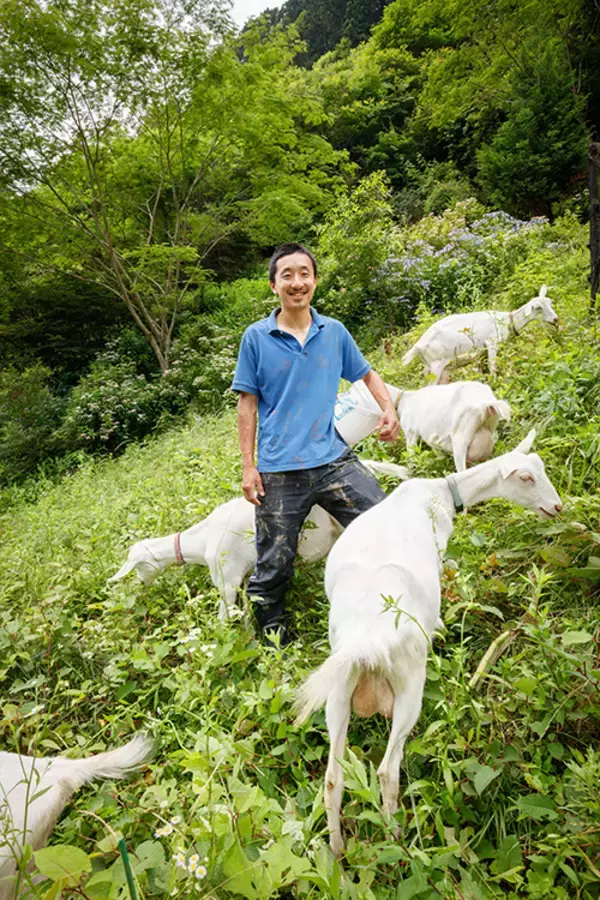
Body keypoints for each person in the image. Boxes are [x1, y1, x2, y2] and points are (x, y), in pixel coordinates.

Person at [231, 242, 400, 645]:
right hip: (279, 469)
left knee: (385, 523)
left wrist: (389, 409)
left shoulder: (333, 332)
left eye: (304, 274)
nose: (297, 282)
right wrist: (248, 466)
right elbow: (247, 404)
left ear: (315, 281)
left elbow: (367, 374)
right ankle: (273, 635)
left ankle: (389, 600)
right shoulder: (256, 338)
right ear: (274, 285)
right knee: (275, 561)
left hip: (331, 459)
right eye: (287, 275)